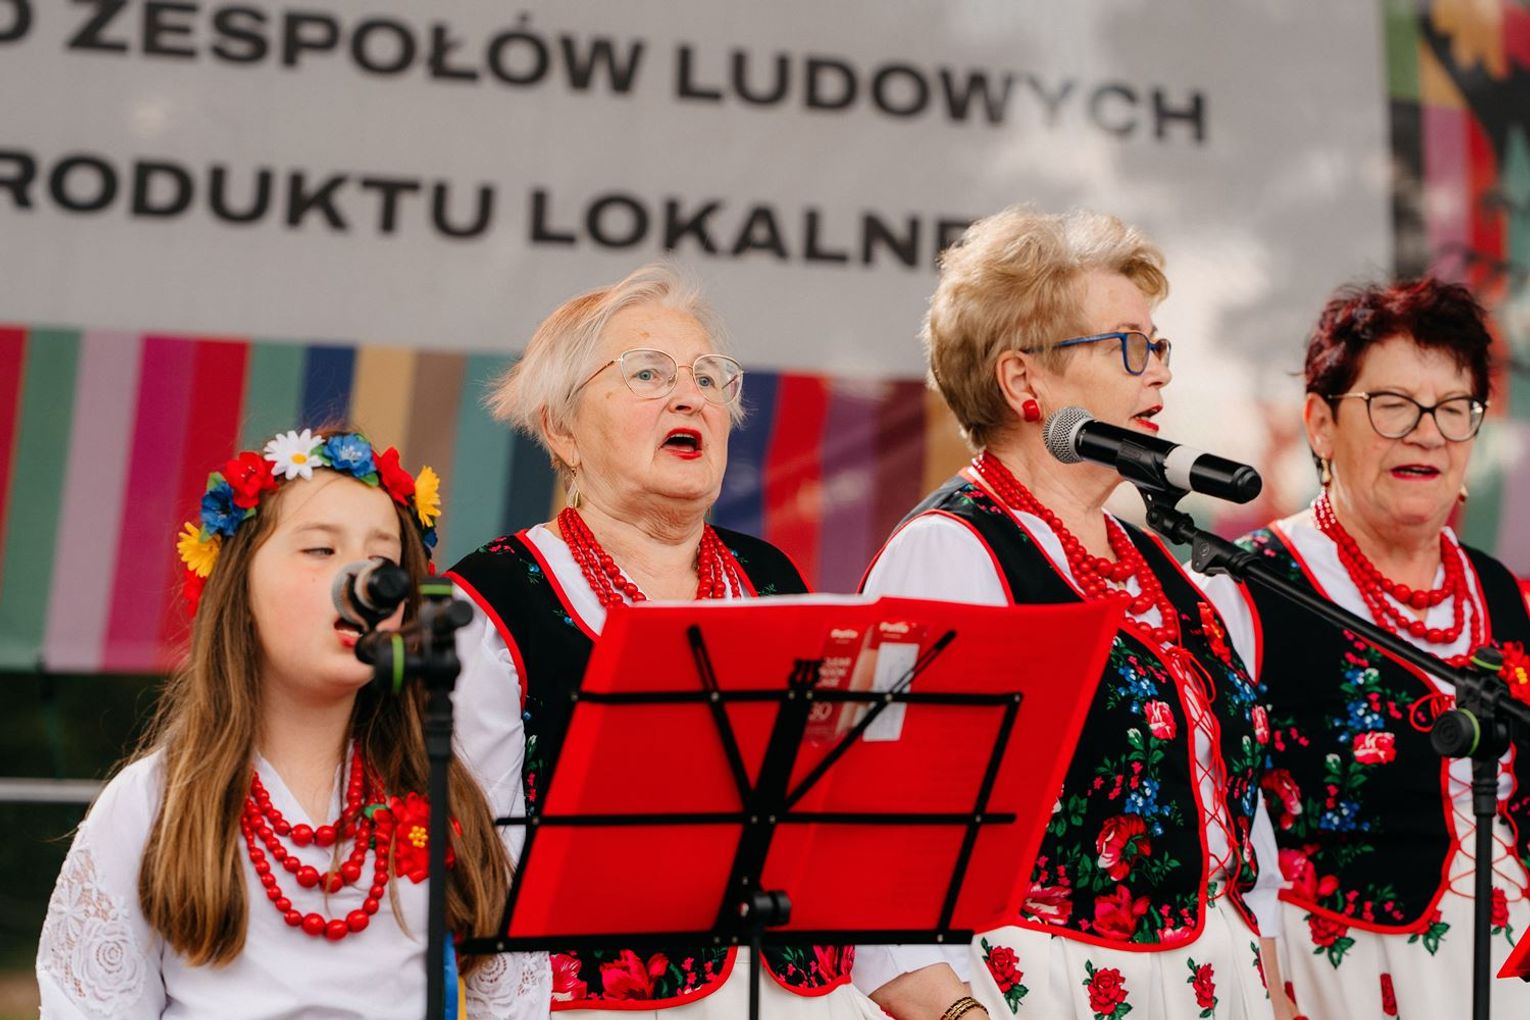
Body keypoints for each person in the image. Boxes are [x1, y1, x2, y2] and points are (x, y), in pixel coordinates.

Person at [855, 207, 1285, 1020]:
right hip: (1044, 988)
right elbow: (876, 854)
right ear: (1025, 383)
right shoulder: (951, 557)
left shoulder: (1164, 566)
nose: (1158, 375)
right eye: (1128, 346)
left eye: (1158, 347)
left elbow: (1239, 843)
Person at [448, 263, 883, 1017]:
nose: (691, 397)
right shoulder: (496, 599)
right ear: (561, 428)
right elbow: (487, 873)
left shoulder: (773, 578)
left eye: (708, 378)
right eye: (647, 374)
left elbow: (839, 823)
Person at [36, 427, 550, 1018]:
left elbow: (505, 1002)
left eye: (384, 561)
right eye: (321, 550)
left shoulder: (442, 795)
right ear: (239, 586)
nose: (364, 581)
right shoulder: (157, 803)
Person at [1202, 278, 1530, 1018]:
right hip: (1339, 978)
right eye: (1392, 405)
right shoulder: (1248, 590)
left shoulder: (1502, 593)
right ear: (1320, 424)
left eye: (1454, 408)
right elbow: (1225, 831)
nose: (1427, 433)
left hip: (1510, 970)